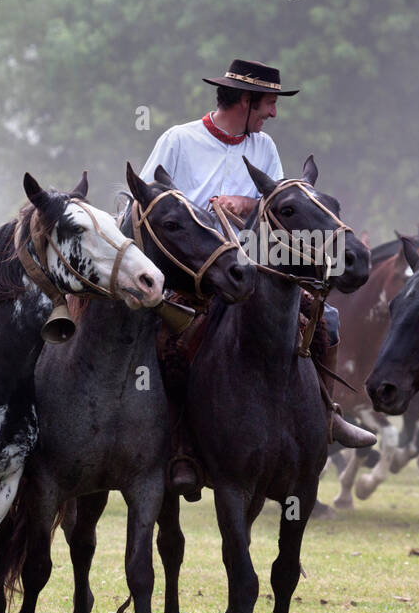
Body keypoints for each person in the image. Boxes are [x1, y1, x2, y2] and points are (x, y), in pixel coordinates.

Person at [141, 58, 374, 499]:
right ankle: (181, 445)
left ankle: (327, 414)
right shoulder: (178, 140)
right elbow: (149, 203)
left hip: (256, 271)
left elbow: (277, 203)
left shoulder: (263, 147)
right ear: (245, 101)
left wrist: (245, 207)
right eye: (269, 103)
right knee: (168, 344)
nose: (273, 112)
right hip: (194, 275)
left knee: (329, 322)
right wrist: (199, 212)